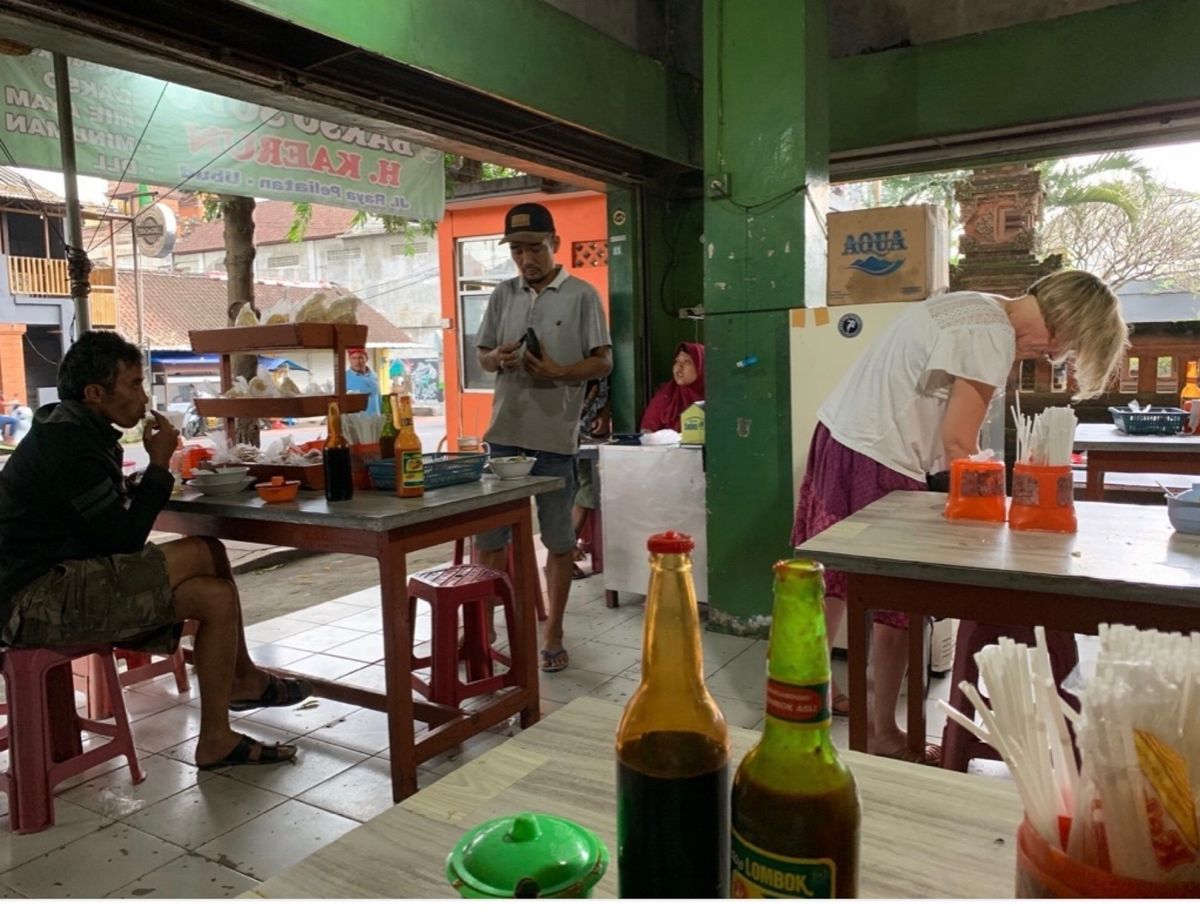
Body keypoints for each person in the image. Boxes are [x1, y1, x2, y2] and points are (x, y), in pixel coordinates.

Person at [792, 270, 1128, 765]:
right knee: (896, 601)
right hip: (879, 454)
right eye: (1063, 348)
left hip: (842, 434)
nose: (1048, 356)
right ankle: (881, 732)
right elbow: (958, 443)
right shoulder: (991, 334)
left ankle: (805, 700)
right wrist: (995, 517)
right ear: (1061, 325)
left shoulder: (980, 302)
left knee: (832, 583)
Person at [0, 331, 312, 770]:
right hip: (33, 601)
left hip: (66, 583)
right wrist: (159, 464)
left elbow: (98, 522)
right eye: (132, 384)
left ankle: (216, 739)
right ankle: (243, 679)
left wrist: (135, 485)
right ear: (94, 393)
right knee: (205, 549)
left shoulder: (72, 430)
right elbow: (124, 540)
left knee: (215, 595)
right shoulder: (67, 445)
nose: (143, 396)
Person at [476, 202, 612, 673]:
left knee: (557, 538)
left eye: (533, 247)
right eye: (516, 249)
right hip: (504, 433)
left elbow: (604, 361)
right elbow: (482, 357)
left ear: (553, 243)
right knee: (490, 535)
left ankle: (553, 627)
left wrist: (559, 372)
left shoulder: (581, 295)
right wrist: (498, 356)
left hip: (555, 434)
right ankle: (486, 629)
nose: (525, 258)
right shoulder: (502, 295)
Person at [572, 377, 611, 579]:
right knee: (579, 491)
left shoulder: (601, 370)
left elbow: (604, 397)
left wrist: (604, 414)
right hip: (563, 439)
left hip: (588, 438)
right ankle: (565, 550)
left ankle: (567, 547)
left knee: (586, 489)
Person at [640, 342, 705, 431]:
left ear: (701, 367)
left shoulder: (716, 398)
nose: (679, 366)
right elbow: (647, 431)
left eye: (687, 362)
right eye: (676, 361)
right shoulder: (666, 396)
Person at [345, 347, 381, 415]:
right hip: (357, 422)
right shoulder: (344, 378)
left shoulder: (374, 375)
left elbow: (379, 398)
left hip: (376, 419)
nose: (357, 361)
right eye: (354, 358)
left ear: (366, 358)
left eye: (360, 357)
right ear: (349, 359)